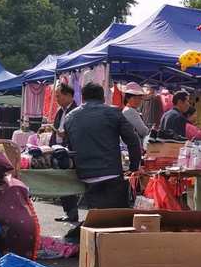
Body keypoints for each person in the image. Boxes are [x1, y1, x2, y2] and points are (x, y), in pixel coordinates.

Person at [61, 82, 142, 241]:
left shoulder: (70, 117)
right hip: (111, 172)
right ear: (103, 97)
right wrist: (134, 166)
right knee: (116, 220)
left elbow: (70, 147)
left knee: (96, 215)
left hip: (86, 174)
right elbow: (133, 141)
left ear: (83, 98)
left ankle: (92, 246)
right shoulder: (114, 112)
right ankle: (114, 249)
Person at [50, 82, 79, 223]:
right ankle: (68, 212)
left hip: (70, 151)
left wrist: (65, 135)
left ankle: (72, 212)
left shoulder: (77, 110)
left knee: (68, 182)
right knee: (61, 182)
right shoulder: (60, 111)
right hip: (58, 149)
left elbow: (78, 133)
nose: (56, 99)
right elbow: (56, 129)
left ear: (68, 95)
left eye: (58, 96)